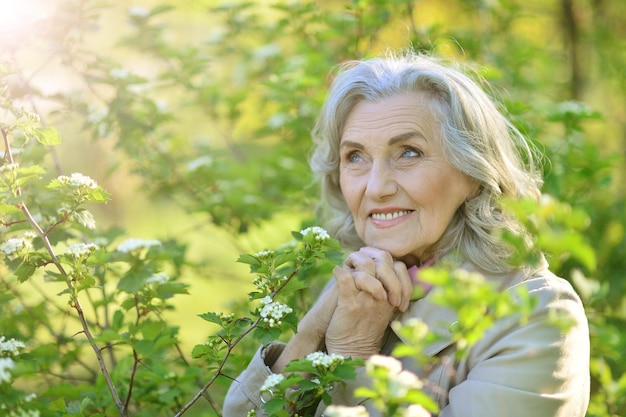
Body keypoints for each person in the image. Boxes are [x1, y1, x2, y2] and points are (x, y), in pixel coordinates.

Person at [222, 52, 590, 417]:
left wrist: (353, 354)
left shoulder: (538, 317)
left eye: (408, 153)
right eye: (355, 156)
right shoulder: (359, 285)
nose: (376, 187)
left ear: (473, 172)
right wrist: (311, 330)